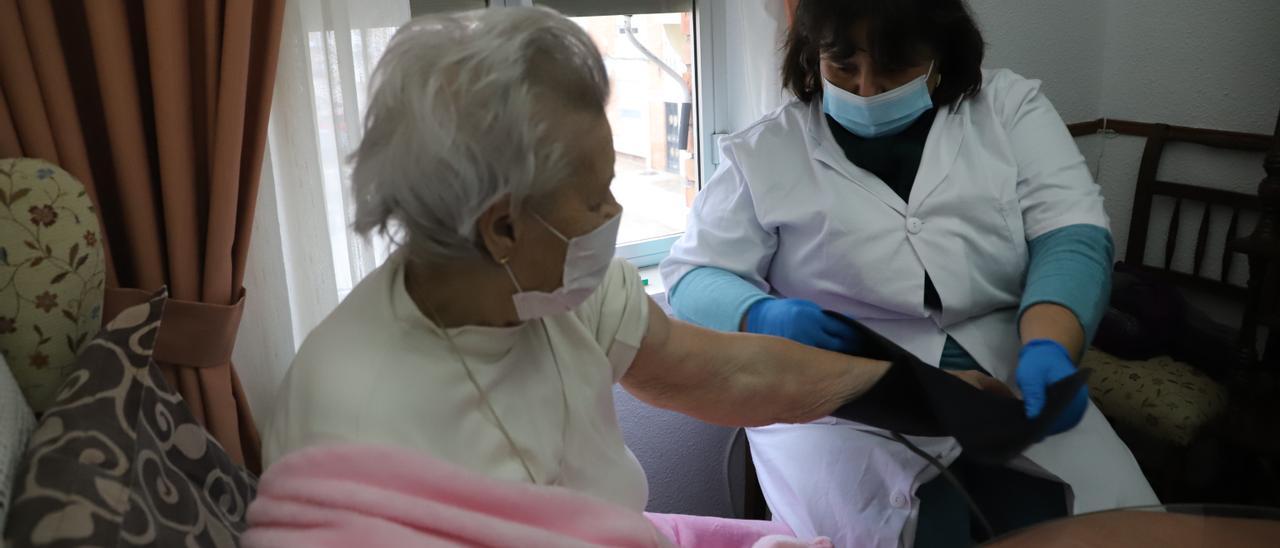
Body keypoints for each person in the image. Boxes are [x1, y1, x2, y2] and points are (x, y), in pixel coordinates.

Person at [262, 6, 1002, 517]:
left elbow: (725, 372)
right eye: (595, 196)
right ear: (502, 229)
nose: (615, 214)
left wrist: (933, 395)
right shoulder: (346, 421)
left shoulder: (557, 292)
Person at [660, 1, 1159, 547]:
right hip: (842, 402)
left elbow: (1071, 236)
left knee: (1104, 529)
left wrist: (1051, 346)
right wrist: (761, 315)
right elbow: (694, 273)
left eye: (894, 66)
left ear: (941, 55)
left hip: (1009, 372)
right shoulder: (765, 150)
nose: (866, 89)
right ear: (811, 57)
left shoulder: (1010, 109)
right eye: (842, 66)